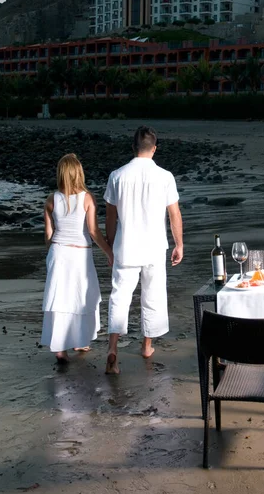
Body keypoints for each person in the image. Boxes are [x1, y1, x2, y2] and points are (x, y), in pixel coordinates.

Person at [104, 126, 183, 374]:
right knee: (153, 296)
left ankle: (112, 349)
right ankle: (147, 346)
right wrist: (179, 243)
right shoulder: (165, 176)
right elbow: (174, 214)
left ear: (133, 147)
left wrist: (109, 246)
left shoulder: (117, 176)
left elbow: (110, 217)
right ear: (155, 148)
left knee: (120, 297)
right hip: (154, 247)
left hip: (125, 247)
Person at [41, 153, 112, 364]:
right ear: (78, 173)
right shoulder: (87, 198)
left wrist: (52, 253)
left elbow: (48, 236)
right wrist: (109, 251)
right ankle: (80, 340)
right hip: (80, 252)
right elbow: (93, 231)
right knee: (81, 296)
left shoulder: (52, 199)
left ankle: (60, 349)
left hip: (58, 251)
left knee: (59, 298)